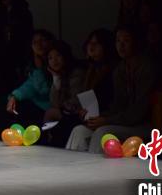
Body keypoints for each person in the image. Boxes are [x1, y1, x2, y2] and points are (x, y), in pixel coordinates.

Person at [66, 25, 157, 153]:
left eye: (126, 40)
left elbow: (139, 111)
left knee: (102, 132)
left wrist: (107, 120)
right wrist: (98, 118)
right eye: (118, 41)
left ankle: (93, 166)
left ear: (136, 42)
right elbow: (117, 105)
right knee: (79, 131)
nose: (121, 45)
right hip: (120, 121)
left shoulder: (146, 68)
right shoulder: (120, 70)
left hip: (143, 124)